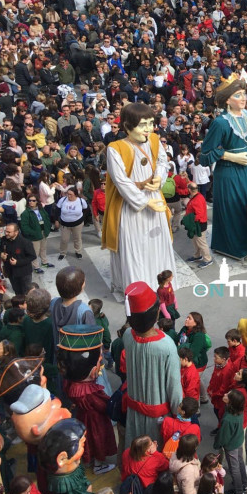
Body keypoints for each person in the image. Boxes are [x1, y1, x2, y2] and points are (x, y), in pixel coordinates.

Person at [101, 102, 176, 291]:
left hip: (155, 198)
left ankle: (162, 281)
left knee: (158, 242)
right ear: (127, 126)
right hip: (132, 205)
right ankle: (138, 289)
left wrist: (159, 178)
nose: (148, 129)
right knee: (134, 247)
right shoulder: (115, 148)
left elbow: (162, 161)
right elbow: (121, 181)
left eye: (151, 123)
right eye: (143, 125)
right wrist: (145, 201)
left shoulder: (154, 139)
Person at [198, 74, 247, 260]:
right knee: (237, 209)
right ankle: (235, 247)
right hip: (230, 172)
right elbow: (205, 155)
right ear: (227, 100)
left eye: (243, 94)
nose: (244, 98)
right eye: (238, 95)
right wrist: (231, 156)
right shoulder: (220, 122)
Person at [121, 281, 183, 447]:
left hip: (133, 412)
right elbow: (174, 388)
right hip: (159, 419)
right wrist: (180, 415)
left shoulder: (127, 335)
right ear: (156, 315)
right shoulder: (166, 345)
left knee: (135, 454)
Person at [0, 222, 36, 296]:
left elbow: (32, 256)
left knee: (26, 292)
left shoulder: (25, 242)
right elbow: (0, 250)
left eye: (9, 232)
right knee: (17, 291)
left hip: (24, 273)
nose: (6, 233)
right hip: (11, 272)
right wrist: (1, 255)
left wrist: (18, 262)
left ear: (16, 232)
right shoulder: (4, 239)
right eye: (5, 231)